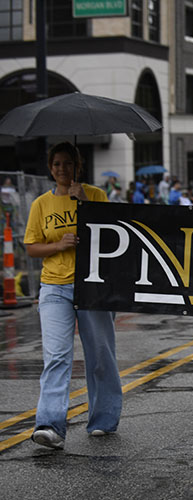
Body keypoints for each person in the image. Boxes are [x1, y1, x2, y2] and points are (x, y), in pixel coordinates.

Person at [23, 142, 122, 449]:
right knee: (56, 356)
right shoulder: (41, 204)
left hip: (92, 285)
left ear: (78, 165)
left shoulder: (95, 195)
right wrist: (59, 246)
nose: (62, 170)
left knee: (100, 355)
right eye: (56, 165)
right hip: (54, 286)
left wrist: (87, 205)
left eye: (68, 164)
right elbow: (31, 246)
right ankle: (50, 424)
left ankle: (104, 419)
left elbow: (116, 234)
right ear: (50, 168)